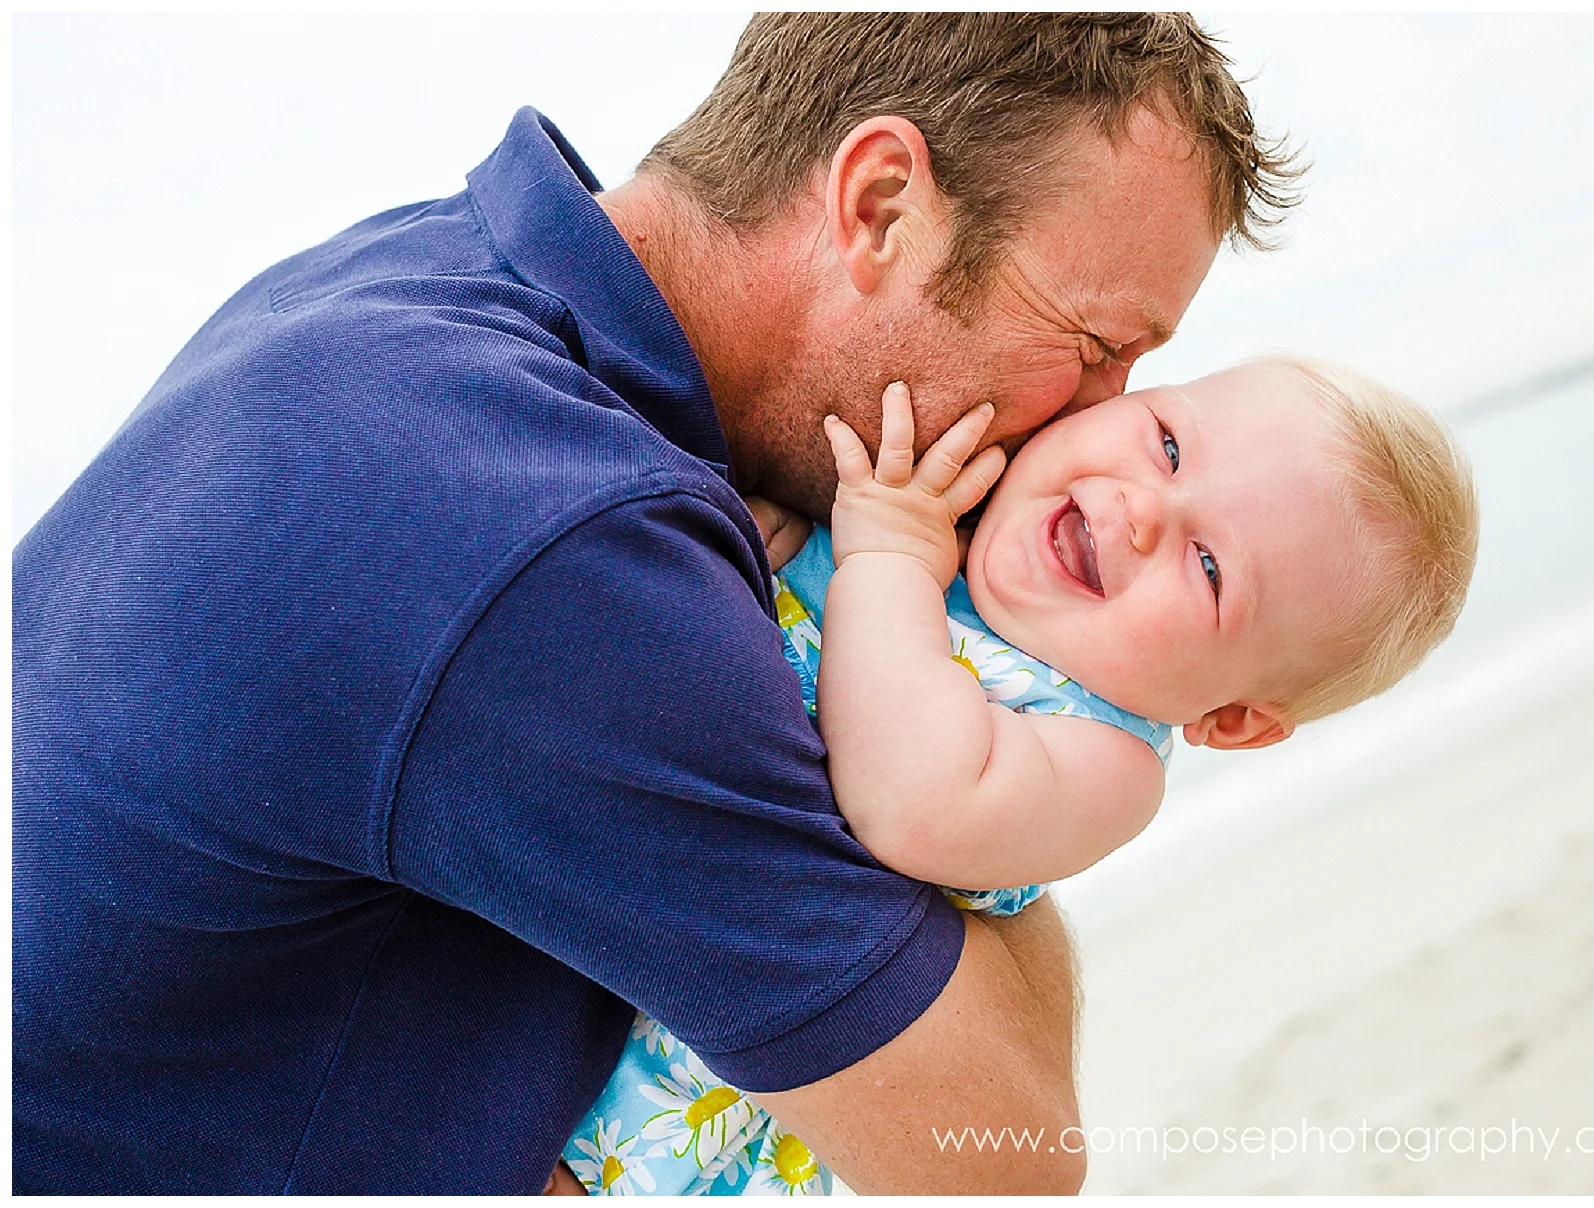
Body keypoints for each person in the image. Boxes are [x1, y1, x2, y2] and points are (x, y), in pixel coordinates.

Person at [12, 14, 1301, 1194]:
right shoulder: (561, 540)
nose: (1093, 419)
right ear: (882, 206)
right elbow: (999, 1151)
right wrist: (1051, 718)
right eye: (1094, 348)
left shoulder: (412, 287)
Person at [561, 359, 1478, 1195]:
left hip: (660, 1121)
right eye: (1167, 445)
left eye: (1208, 567)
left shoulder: (1101, 754)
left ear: (1231, 718)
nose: (1142, 510)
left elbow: (912, 801)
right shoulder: (937, 511)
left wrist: (884, 557)